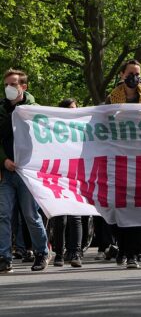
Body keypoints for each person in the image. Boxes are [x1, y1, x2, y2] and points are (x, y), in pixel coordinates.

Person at [105, 59, 141, 269]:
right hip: (118, 161)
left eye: (137, 74)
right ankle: (123, 245)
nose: (134, 77)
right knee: (116, 208)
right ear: (121, 75)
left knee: (138, 208)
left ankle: (133, 253)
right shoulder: (110, 100)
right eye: (130, 73)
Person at [0, 69, 51, 273]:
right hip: (6, 172)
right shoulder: (1, 110)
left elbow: (43, 139)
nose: (8, 88)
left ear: (24, 86)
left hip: (27, 173)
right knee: (3, 215)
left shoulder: (35, 110)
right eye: (6, 85)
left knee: (30, 215)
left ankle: (41, 252)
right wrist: (3, 160)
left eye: (13, 84)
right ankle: (4, 257)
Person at [49, 98, 84, 268]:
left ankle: (76, 253)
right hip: (58, 175)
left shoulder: (82, 128)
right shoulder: (53, 130)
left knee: (75, 216)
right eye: (70, 109)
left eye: (75, 109)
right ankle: (59, 253)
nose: (74, 111)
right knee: (60, 217)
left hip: (76, 174)